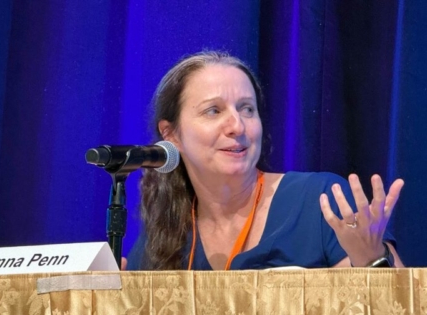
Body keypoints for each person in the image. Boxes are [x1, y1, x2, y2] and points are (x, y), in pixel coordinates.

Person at [126, 51, 404, 270]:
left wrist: (372, 259)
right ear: (171, 134)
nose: (237, 125)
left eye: (247, 109)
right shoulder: (162, 237)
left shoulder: (322, 202)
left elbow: (401, 305)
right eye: (213, 111)